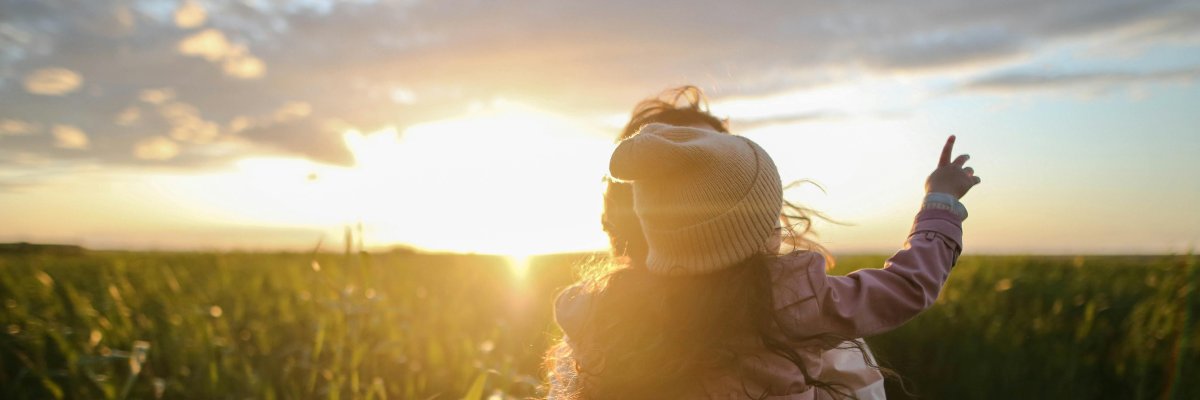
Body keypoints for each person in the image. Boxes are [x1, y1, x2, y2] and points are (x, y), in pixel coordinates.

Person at [546, 87, 979, 399]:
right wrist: (939, 203)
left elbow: (570, 305)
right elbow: (907, 286)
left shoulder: (596, 313)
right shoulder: (795, 301)